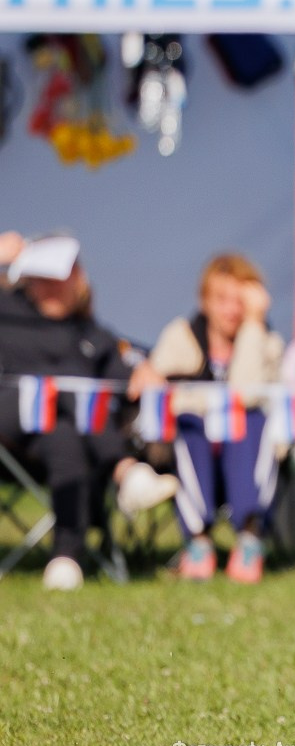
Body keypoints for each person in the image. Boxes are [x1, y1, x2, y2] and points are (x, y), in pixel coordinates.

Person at [0, 232, 178, 590]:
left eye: (60, 280)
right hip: (9, 434)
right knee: (70, 394)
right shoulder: (8, 312)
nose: (51, 289)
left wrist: (143, 370)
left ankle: (66, 558)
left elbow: (126, 372)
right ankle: (125, 472)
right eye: (43, 280)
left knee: (66, 431)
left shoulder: (91, 333)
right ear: (28, 279)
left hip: (62, 442)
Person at [149, 253, 284, 583]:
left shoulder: (267, 341)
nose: (231, 310)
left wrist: (253, 325)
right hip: (194, 449)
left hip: (245, 450)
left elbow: (246, 393)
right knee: (190, 423)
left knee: (252, 419)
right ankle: (198, 543)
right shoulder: (181, 336)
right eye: (221, 299)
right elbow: (162, 393)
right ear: (204, 301)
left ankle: (250, 538)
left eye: (241, 302)